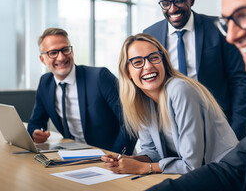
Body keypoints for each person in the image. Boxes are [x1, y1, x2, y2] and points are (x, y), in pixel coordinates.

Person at [148, 0, 246, 190]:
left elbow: (238, 83)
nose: (232, 35)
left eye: (244, 14)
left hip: (220, 133)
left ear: (191, 0)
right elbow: (229, 170)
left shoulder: (213, 31)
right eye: (228, 21)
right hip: (178, 139)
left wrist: (233, 136)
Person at [101, 33, 238, 175]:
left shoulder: (180, 90)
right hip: (201, 176)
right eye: (137, 62)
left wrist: (141, 168)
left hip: (227, 173)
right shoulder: (142, 101)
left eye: (154, 58)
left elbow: (191, 165)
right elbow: (154, 152)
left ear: (164, 62)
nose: (148, 66)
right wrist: (130, 160)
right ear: (127, 72)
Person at [143, 0, 246, 140]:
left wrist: (236, 133)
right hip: (172, 131)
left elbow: (239, 82)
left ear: (191, 0)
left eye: (179, 1)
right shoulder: (150, 35)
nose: (172, 9)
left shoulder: (219, 29)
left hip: (218, 128)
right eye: (165, 3)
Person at [27, 28, 135, 153]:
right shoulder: (45, 83)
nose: (61, 57)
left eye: (65, 49)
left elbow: (131, 121)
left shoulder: (100, 77)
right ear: (42, 59)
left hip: (110, 155)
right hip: (72, 154)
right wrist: (36, 132)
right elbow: (35, 122)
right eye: (53, 53)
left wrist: (117, 155)